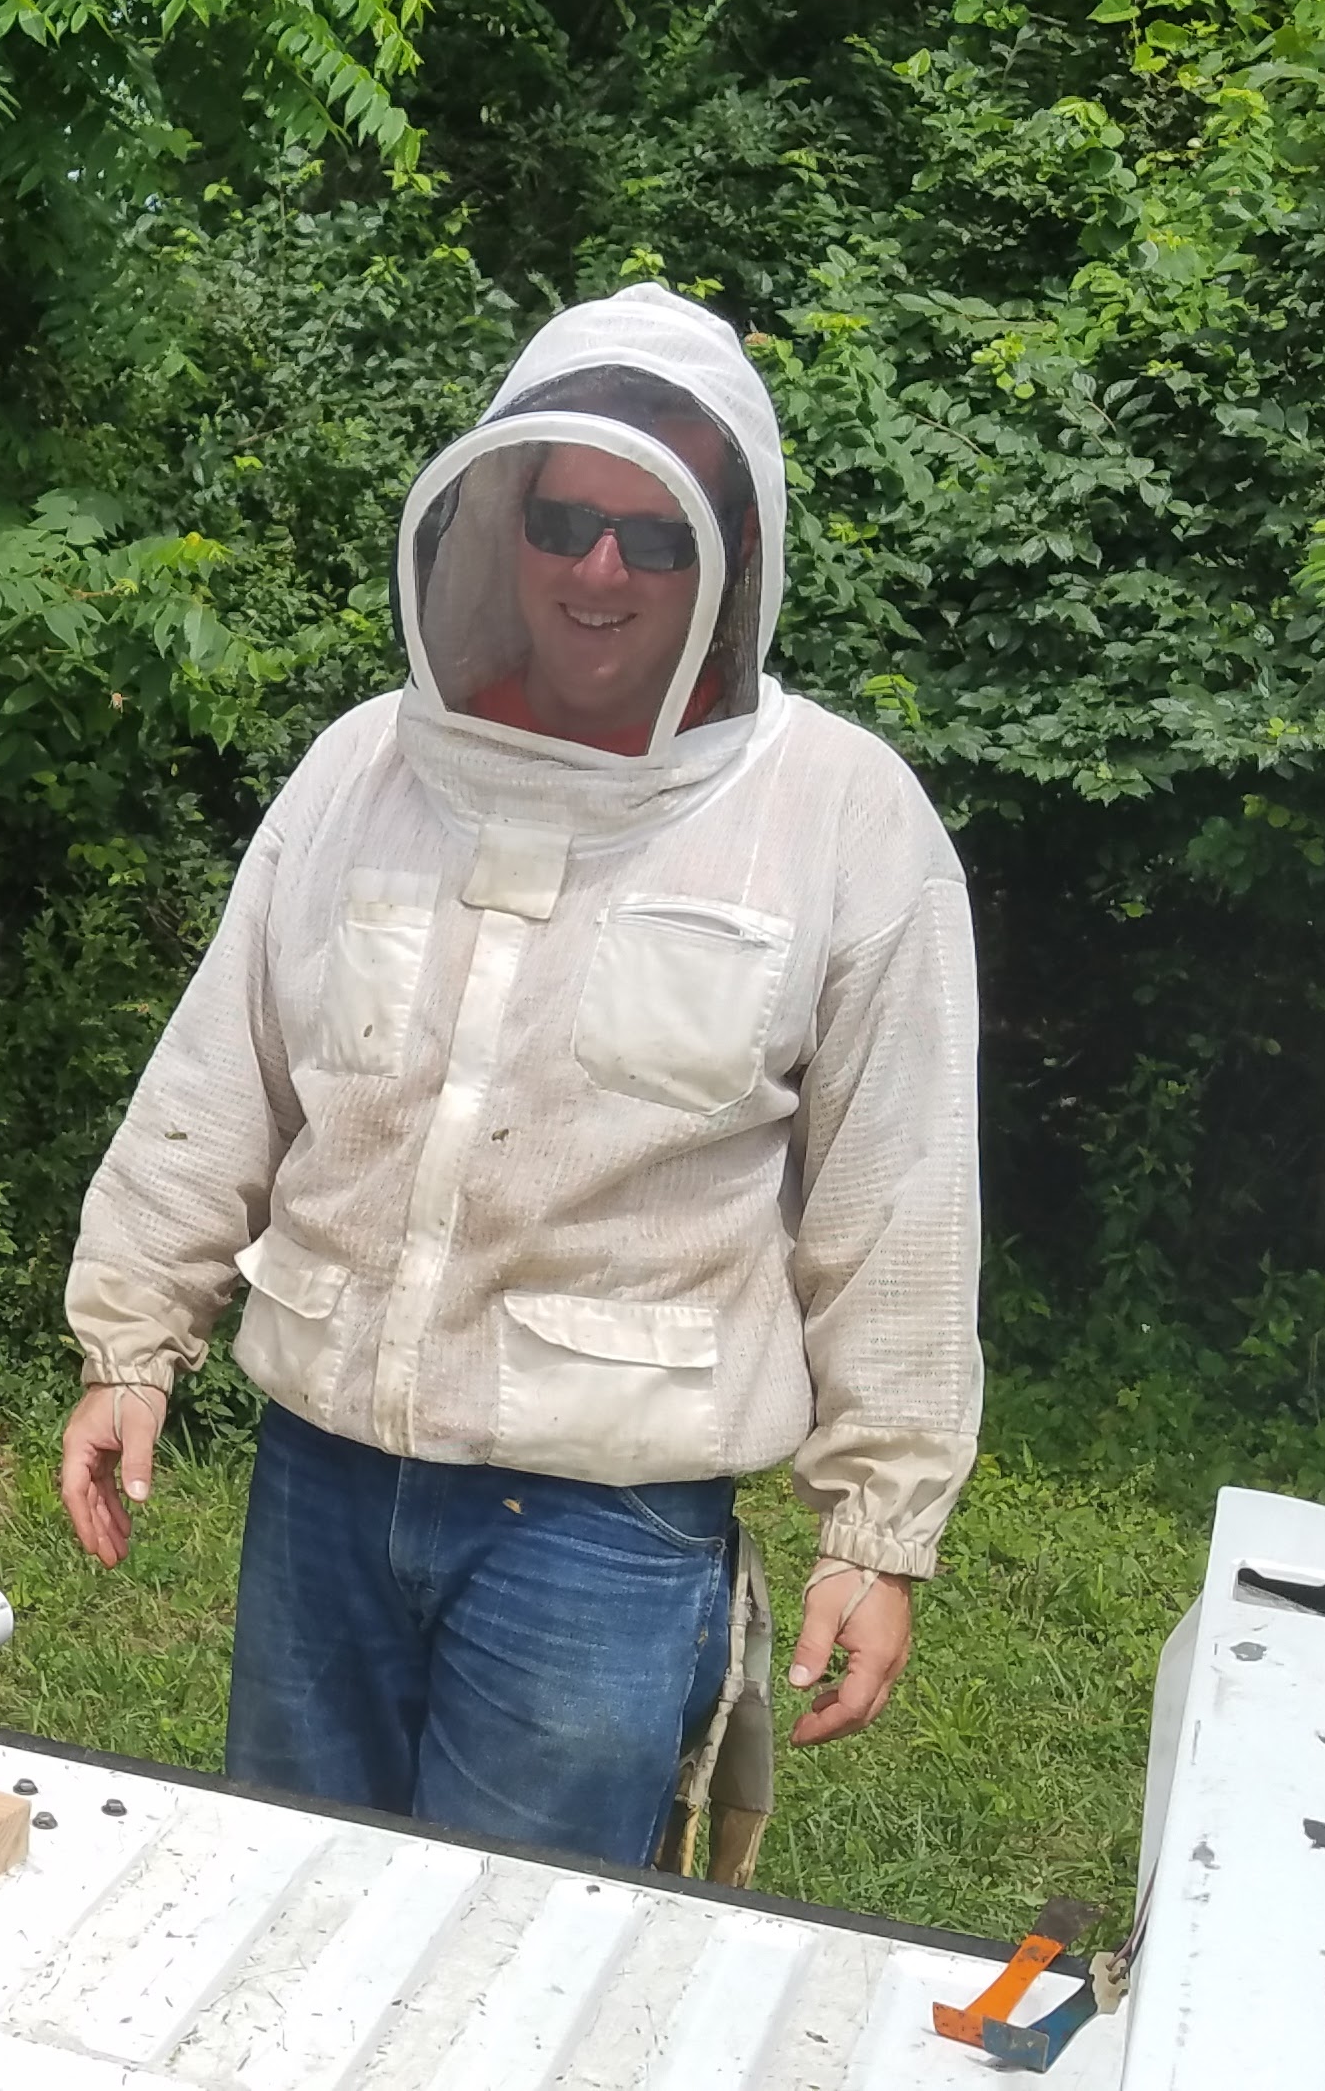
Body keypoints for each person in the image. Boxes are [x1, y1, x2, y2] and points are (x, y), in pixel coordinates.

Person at [56, 284, 982, 1870]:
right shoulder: (364, 766)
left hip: (602, 1532)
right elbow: (228, 1069)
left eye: (657, 534)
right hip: (323, 1487)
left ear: (733, 558)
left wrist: (879, 1530)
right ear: (496, 523)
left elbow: (898, 1196)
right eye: (563, 518)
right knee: (282, 1901)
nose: (601, 569)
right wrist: (131, 1339)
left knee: (516, 1967)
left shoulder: (840, 812)